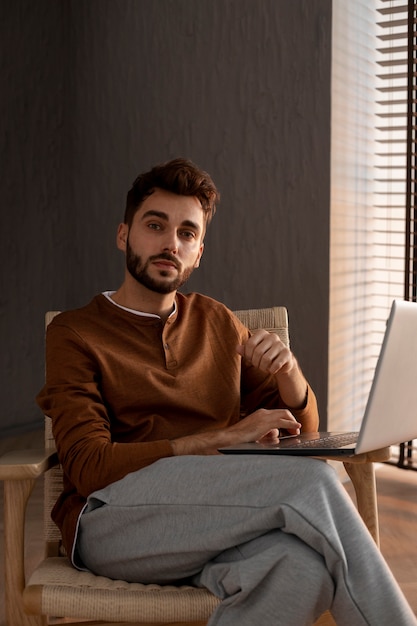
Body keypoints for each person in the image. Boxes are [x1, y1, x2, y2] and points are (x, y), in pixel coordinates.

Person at [36, 158, 416, 626]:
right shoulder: (75, 333)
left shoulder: (216, 321)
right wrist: (219, 440)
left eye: (187, 233)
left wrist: (290, 375)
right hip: (113, 522)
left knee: (300, 567)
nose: (170, 243)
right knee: (314, 486)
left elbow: (305, 438)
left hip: (213, 517)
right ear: (123, 235)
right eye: (155, 225)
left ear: (199, 253)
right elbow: (88, 466)